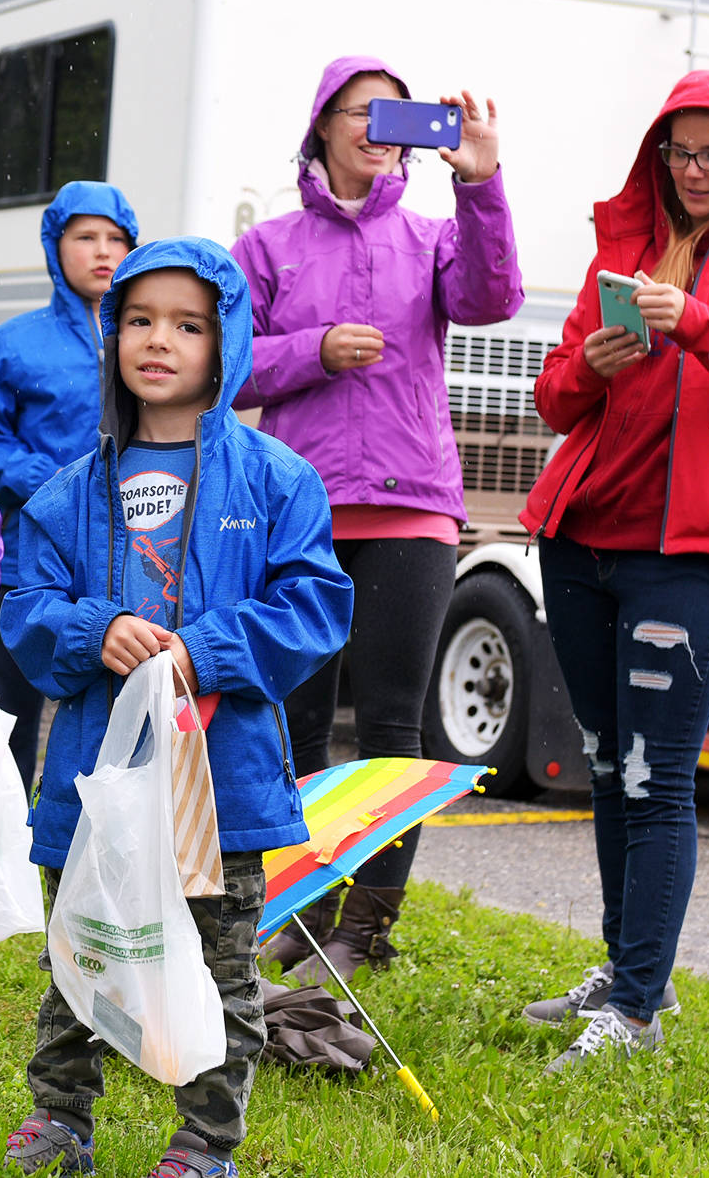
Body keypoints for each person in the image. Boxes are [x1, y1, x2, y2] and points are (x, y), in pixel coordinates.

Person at [0, 238, 353, 1178]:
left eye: (188, 324)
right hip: (94, 781)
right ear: (110, 337)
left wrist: (211, 647)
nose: (159, 341)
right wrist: (90, 629)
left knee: (223, 966)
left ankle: (205, 1142)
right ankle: (60, 1117)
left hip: (219, 786)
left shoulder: (276, 482)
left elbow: (315, 604)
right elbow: (22, 605)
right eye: (138, 320)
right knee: (81, 955)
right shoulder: (69, 494)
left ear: (226, 340)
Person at [516, 72, 709, 1072]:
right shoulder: (620, 247)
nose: (693, 172)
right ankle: (622, 969)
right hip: (579, 543)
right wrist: (594, 364)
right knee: (610, 765)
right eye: (678, 152)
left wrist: (692, 321)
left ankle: (640, 1010)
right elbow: (551, 398)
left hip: (687, 557)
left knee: (655, 778)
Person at [231, 55, 523, 982]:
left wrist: (480, 179)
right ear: (320, 125)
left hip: (412, 509)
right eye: (358, 110)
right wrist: (311, 351)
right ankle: (309, 910)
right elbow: (225, 366)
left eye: (389, 112)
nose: (374, 125)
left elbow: (492, 298)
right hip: (298, 509)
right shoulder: (270, 245)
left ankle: (367, 929)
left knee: (395, 722)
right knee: (300, 721)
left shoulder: (435, 233)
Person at [0, 181, 139, 791]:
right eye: (85, 237)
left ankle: (84, 861)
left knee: (110, 723)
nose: (103, 250)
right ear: (54, 245)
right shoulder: (18, 342)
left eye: (117, 238)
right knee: (8, 724)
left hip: (126, 565)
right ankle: (4, 867)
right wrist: (43, 478)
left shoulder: (148, 339)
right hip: (26, 563)